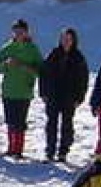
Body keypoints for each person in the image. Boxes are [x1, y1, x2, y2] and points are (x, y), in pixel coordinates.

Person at [38, 26, 89, 163]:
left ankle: (63, 152)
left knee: (67, 125)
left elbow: (83, 79)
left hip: (69, 97)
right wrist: (43, 92)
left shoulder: (78, 58)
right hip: (53, 95)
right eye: (63, 39)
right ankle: (50, 151)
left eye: (69, 39)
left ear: (73, 41)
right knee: (51, 124)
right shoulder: (53, 54)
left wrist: (80, 97)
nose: (66, 41)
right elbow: (43, 74)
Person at [0, 19, 41, 158]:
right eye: (16, 31)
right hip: (8, 90)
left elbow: (40, 70)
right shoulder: (7, 48)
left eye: (21, 31)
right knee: (10, 121)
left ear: (27, 32)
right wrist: (6, 64)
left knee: (20, 121)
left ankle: (18, 150)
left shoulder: (33, 49)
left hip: (24, 91)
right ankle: (10, 148)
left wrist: (26, 67)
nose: (18, 34)